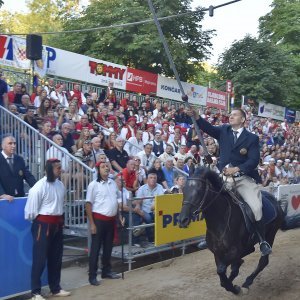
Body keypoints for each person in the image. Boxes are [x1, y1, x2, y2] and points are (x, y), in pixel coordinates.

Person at [188, 107, 272, 256]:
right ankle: (210, 236)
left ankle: (262, 240)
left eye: (234, 115)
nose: (230, 116)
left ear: (243, 119)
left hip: (244, 179)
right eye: (230, 114)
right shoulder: (224, 130)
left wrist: (237, 169)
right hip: (224, 178)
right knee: (210, 200)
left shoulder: (252, 138)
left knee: (256, 207)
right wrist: (198, 117)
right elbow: (209, 128)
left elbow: (253, 160)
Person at [24, 159, 71, 299]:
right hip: (43, 226)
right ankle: (35, 292)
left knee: (56, 258)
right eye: (57, 168)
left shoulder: (61, 185)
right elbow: (30, 212)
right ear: (50, 169)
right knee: (40, 258)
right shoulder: (38, 187)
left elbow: (61, 205)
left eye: (60, 167)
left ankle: (55, 288)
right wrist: (42, 223)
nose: (60, 170)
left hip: (57, 224)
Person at [85, 162, 122, 286]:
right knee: (95, 249)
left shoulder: (112, 183)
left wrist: (119, 216)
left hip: (111, 220)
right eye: (103, 167)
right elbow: (88, 204)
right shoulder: (93, 185)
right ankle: (92, 276)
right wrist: (92, 224)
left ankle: (106, 271)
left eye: (107, 166)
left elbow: (117, 199)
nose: (106, 168)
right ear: (98, 170)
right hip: (99, 220)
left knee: (108, 248)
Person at [0, 135, 36, 201]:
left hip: (19, 197)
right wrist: (2, 194)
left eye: (14, 143)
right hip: (3, 200)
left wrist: (38, 187)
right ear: (3, 146)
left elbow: (28, 176)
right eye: (10, 143)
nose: (13, 146)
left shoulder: (19, 159)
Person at [135, 173, 164, 243]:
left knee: (161, 216)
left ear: (156, 179)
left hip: (156, 209)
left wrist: (155, 207)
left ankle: (160, 237)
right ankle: (150, 238)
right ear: (147, 179)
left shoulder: (159, 187)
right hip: (145, 209)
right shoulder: (142, 188)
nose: (153, 179)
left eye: (154, 178)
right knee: (148, 218)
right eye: (151, 178)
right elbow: (138, 201)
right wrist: (138, 207)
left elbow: (161, 199)